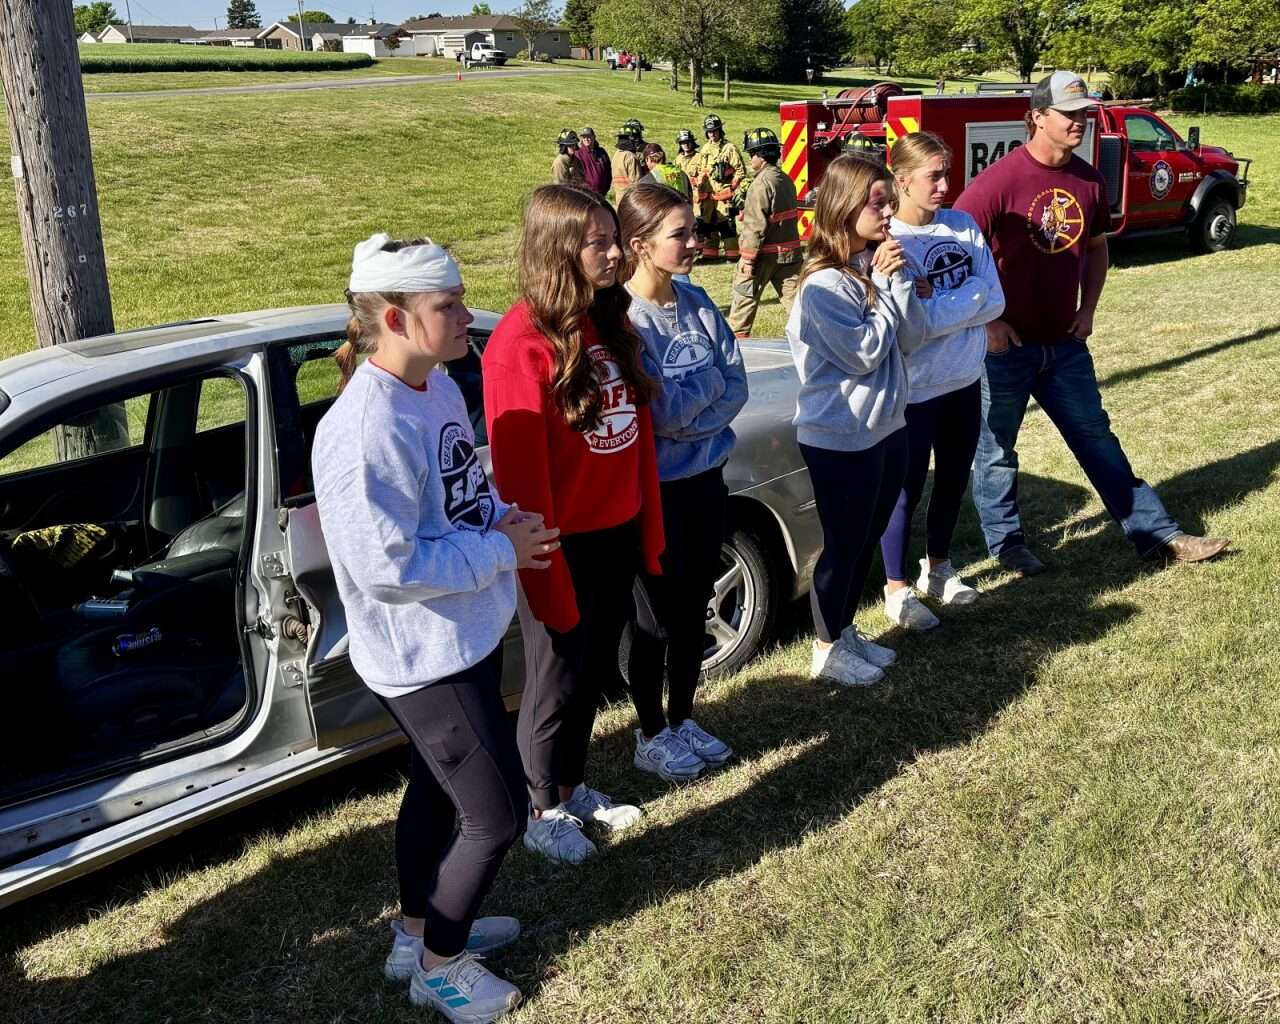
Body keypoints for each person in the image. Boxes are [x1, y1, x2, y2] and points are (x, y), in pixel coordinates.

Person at [312, 233, 561, 1022]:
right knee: (495, 817)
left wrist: (499, 519)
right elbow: (388, 565)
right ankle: (440, 967)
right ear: (393, 317)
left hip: (465, 635)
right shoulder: (362, 431)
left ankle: (415, 930)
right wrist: (498, 551)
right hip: (422, 658)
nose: (465, 316)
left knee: (434, 788)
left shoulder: (441, 383)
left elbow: (461, 489)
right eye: (446, 306)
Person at [954, 71, 1230, 575]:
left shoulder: (1088, 180)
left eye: (1084, 113)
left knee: (1097, 439)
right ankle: (1008, 546)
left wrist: (1088, 309)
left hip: (1063, 344)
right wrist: (986, 322)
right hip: (1004, 349)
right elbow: (956, 253)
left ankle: (1156, 534)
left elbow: (1097, 248)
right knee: (996, 451)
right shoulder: (997, 183)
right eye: (1069, 114)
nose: (1081, 122)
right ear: (1037, 117)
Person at [483, 184, 665, 864]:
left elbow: (637, 439)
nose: (617, 253)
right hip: (561, 544)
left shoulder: (607, 320)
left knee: (589, 674)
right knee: (554, 680)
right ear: (559, 250)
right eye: (600, 243)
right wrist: (548, 575)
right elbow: (523, 482)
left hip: (616, 532)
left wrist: (647, 530)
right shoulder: (518, 345)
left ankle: (572, 782)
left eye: (616, 239)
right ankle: (542, 806)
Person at [618, 182, 749, 780]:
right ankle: (650, 732)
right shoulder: (626, 323)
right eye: (681, 235)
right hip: (660, 494)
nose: (695, 242)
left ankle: (684, 715)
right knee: (657, 620)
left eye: (693, 231)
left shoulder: (697, 301)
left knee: (693, 607)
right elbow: (661, 413)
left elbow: (737, 384)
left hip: (706, 480)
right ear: (640, 245)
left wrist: (691, 411)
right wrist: (702, 402)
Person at [785, 155, 930, 688]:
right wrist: (888, 289)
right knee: (842, 544)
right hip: (841, 437)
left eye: (890, 200)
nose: (890, 211)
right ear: (845, 208)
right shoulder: (823, 286)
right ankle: (825, 649)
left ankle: (843, 630)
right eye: (878, 202)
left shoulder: (866, 268)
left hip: (886, 427)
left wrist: (899, 284)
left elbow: (909, 341)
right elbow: (865, 352)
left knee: (866, 539)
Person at [874, 131, 1005, 631]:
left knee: (953, 477)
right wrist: (965, 302)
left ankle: (939, 567)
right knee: (905, 489)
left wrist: (943, 307)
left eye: (947, 173)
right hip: (915, 390)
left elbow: (995, 299)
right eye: (934, 175)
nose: (946, 184)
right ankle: (897, 588)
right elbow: (911, 327)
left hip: (965, 379)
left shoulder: (964, 225)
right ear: (902, 180)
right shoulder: (888, 241)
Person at [727, 127, 802, 338]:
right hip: (789, 256)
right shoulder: (785, 180)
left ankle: (739, 348)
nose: (750, 160)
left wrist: (748, 260)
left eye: (752, 154)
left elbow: (755, 226)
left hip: (762, 257)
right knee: (797, 307)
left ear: (761, 155)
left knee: (743, 304)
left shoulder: (760, 184)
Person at [693, 113, 746, 261]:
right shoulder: (705, 149)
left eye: (715, 131)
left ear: (720, 130)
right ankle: (710, 255)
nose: (712, 134)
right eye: (709, 131)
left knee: (726, 225)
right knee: (708, 225)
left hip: (724, 195)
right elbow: (700, 171)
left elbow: (741, 171)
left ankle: (732, 256)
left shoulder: (729, 148)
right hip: (708, 196)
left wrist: (732, 187)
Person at [611, 120, 645, 202]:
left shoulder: (617, 154)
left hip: (619, 197)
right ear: (631, 139)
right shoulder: (630, 157)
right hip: (630, 199)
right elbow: (636, 183)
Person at [575, 125, 611, 197]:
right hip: (586, 195)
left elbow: (608, 171)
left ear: (594, 137)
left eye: (589, 136)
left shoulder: (602, 152)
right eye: (584, 137)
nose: (586, 139)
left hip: (602, 194)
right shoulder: (578, 154)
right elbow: (577, 176)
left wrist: (606, 188)